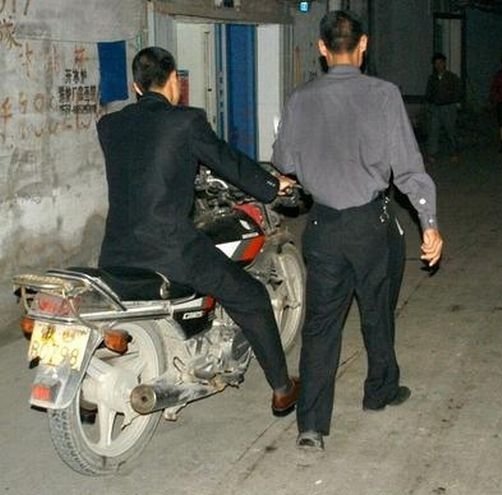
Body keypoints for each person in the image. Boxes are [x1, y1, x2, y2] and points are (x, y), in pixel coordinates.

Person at [272, 10, 443, 451]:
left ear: (322, 48)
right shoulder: (384, 95)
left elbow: (284, 162)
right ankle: (379, 390)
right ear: (363, 45)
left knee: (321, 324)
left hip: (324, 225)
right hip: (371, 224)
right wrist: (428, 223)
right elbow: (409, 170)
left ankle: (311, 426)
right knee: (377, 310)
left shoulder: (300, 99)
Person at [96, 46, 300, 417]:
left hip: (116, 251)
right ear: (174, 81)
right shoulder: (186, 122)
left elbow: (143, 164)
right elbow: (228, 161)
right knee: (251, 296)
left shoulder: (109, 126)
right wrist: (273, 186)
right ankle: (283, 389)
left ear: (136, 86)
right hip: (170, 250)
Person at [424, 52, 462, 162]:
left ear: (444, 63)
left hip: (448, 106)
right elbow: (428, 92)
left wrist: (456, 102)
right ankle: (432, 153)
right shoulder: (432, 78)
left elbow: (458, 90)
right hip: (435, 107)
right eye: (436, 63)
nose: (438, 66)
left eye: (440, 63)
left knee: (451, 130)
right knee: (433, 130)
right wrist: (429, 104)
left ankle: (454, 151)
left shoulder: (451, 77)